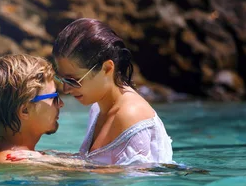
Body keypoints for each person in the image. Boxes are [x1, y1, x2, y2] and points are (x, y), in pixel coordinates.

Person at [51, 18, 173, 165]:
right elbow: (93, 163)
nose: (66, 89)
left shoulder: (131, 115)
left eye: (72, 80)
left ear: (107, 68)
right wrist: (41, 157)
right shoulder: (97, 108)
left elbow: (133, 181)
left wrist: (52, 165)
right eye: (61, 79)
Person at [0, 53, 64, 164]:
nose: (61, 104)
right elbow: (90, 171)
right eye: (54, 97)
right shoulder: (16, 161)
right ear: (25, 110)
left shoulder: (22, 157)